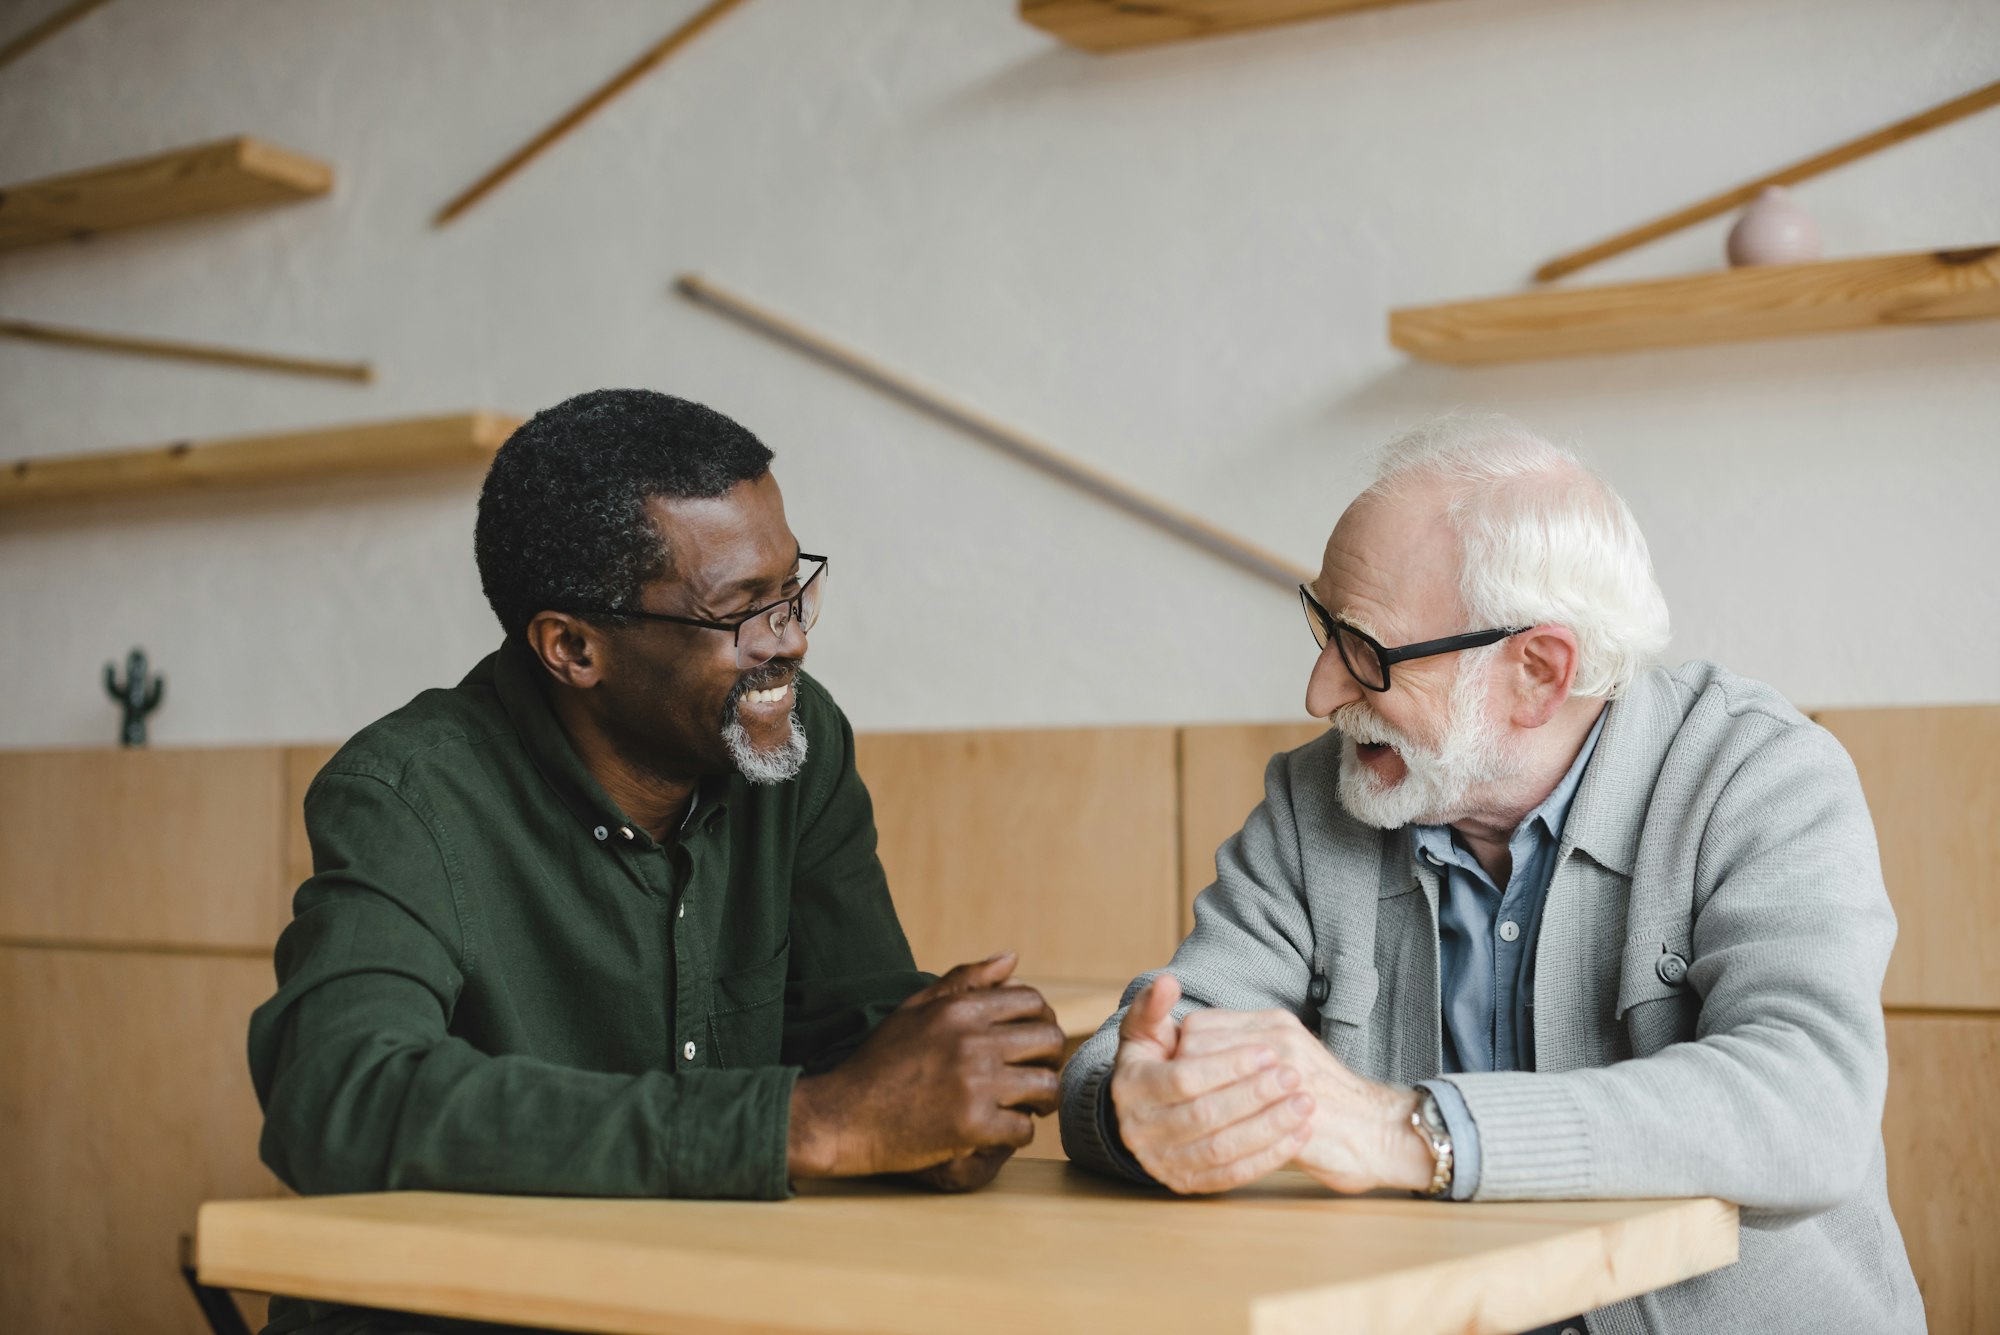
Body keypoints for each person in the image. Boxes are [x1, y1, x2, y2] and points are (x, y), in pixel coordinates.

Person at [1059, 417, 1924, 1335]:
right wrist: (1137, 1108)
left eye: (1367, 651)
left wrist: (1408, 1130)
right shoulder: (1320, 796)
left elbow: (1809, 1101)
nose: (1320, 691)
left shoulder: (1758, 774)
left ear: (1538, 672)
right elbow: (1134, 1052)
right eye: (1324, 627)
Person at [251, 389, 1063, 1334]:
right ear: (573, 647)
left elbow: (856, 1028)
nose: (790, 638)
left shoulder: (799, 745)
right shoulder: (408, 794)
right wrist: (808, 1124)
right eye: (740, 611)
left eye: (793, 588)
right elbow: (337, 1097)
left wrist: (948, 1097)